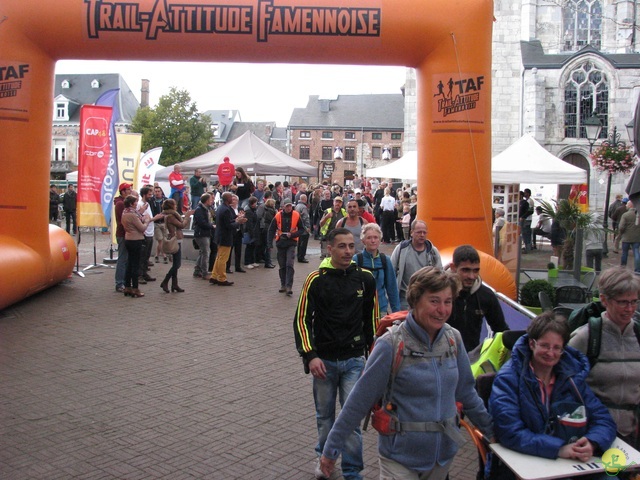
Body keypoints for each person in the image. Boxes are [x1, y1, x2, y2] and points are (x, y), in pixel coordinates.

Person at [319, 266, 493, 480]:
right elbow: (358, 401)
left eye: (448, 302)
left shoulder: (453, 339)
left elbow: (466, 393)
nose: (442, 310)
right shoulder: (391, 344)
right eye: (434, 301)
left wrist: (493, 433)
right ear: (415, 300)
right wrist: (331, 450)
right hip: (399, 459)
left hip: (441, 459)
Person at [294, 228, 378, 480]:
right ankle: (325, 459)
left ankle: (353, 470)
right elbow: (301, 320)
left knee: (351, 417)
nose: (348, 251)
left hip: (354, 360)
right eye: (342, 246)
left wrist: (371, 354)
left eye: (351, 246)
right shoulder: (315, 280)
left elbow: (372, 320)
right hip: (324, 362)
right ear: (329, 248)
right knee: (325, 417)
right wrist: (310, 355)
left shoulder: (365, 278)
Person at [490, 312, 617, 478]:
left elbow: (603, 419)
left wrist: (592, 443)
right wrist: (558, 449)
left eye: (557, 348)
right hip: (529, 463)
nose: (551, 353)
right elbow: (509, 431)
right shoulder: (508, 379)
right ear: (531, 343)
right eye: (545, 345)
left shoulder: (572, 377)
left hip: (572, 463)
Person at [568, 267, 640, 450]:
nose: (630, 309)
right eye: (623, 302)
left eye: (634, 302)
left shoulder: (638, 334)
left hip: (633, 433)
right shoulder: (586, 337)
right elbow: (564, 384)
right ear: (604, 300)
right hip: (595, 433)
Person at [447, 245, 508, 352]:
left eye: (476, 271)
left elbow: (501, 330)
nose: (471, 276)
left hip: (471, 359)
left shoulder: (486, 295)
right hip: (439, 359)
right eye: (465, 270)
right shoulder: (438, 292)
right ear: (453, 267)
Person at [391, 220, 443, 310]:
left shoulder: (433, 251)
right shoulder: (401, 249)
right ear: (411, 232)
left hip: (426, 298)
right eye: (419, 232)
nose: (422, 235)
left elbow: (440, 274)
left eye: (424, 232)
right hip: (404, 299)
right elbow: (391, 271)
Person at [356, 223, 401, 317]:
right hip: (361, 310)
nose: (373, 241)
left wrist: (396, 313)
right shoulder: (356, 260)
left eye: (376, 237)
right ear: (363, 241)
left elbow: (392, 288)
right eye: (369, 238)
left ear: (380, 239)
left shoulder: (385, 260)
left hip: (381, 310)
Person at [268, 198, 305, 296]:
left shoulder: (296, 215)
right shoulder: (278, 216)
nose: (289, 208)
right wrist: (269, 244)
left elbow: (302, 229)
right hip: (281, 243)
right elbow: (271, 230)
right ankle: (283, 284)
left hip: (291, 243)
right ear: (283, 206)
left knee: (289, 264)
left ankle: (289, 286)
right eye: (287, 206)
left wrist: (292, 235)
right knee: (282, 265)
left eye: (290, 206)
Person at [121, 195, 156, 298]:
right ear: (132, 204)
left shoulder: (125, 212)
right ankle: (135, 288)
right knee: (135, 265)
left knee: (129, 264)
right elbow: (142, 228)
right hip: (135, 240)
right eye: (135, 202)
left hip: (128, 239)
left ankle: (127, 286)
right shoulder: (132, 215)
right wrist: (146, 221)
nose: (137, 204)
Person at [210, 192, 247, 287]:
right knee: (223, 258)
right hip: (225, 237)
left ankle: (214, 275)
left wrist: (237, 218)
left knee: (219, 257)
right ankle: (222, 278)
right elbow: (229, 225)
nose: (233, 199)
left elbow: (228, 220)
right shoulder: (226, 209)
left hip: (220, 236)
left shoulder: (221, 208)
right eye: (231, 197)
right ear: (228, 199)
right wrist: (238, 222)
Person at [159, 198, 193, 293]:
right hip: (175, 240)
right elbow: (182, 225)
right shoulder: (170, 216)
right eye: (175, 205)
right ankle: (165, 281)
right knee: (177, 264)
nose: (176, 206)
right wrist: (186, 217)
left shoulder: (170, 215)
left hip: (176, 239)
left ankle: (174, 284)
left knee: (175, 264)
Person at [114, 182, 132, 293]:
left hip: (126, 234)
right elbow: (123, 221)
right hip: (123, 234)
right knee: (122, 258)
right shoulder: (120, 204)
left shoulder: (123, 203)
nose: (130, 191)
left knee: (125, 259)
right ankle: (119, 282)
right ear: (123, 191)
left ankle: (124, 281)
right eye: (129, 189)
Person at [136, 186, 157, 284]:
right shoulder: (140, 205)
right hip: (144, 232)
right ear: (144, 195)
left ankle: (144, 273)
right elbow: (143, 218)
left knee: (146, 256)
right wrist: (154, 218)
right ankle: (139, 275)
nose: (151, 196)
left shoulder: (148, 204)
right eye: (149, 194)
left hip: (150, 232)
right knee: (142, 256)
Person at [192, 193, 215, 279]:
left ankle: (197, 270)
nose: (212, 201)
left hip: (205, 233)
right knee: (205, 253)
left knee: (202, 252)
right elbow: (202, 223)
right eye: (210, 200)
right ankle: (204, 272)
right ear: (206, 201)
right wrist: (211, 226)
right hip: (201, 234)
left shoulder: (207, 209)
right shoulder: (200, 210)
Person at [618, 201, 640, 273]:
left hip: (626, 237)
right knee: (636, 253)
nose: (626, 206)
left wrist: (621, 233)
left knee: (624, 253)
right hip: (637, 237)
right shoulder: (638, 214)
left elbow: (621, 227)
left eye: (627, 205)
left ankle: (623, 268)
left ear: (630, 206)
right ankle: (637, 269)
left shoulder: (625, 215)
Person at [150, 185, 168, 264]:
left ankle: (157, 255)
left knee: (163, 239)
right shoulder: (151, 200)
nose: (157, 193)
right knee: (160, 240)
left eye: (158, 191)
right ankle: (164, 255)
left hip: (164, 222)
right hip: (156, 223)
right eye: (155, 191)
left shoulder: (165, 200)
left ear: (161, 192)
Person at [258, 197, 276, 269]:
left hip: (265, 229)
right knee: (268, 246)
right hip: (268, 229)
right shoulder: (270, 212)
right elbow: (273, 220)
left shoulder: (266, 210)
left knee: (266, 245)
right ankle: (268, 262)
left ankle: (268, 261)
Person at [242, 196, 260, 269]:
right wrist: (251, 233)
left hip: (254, 231)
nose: (256, 204)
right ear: (253, 203)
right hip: (250, 231)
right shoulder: (249, 212)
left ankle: (252, 261)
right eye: (256, 203)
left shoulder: (253, 210)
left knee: (253, 247)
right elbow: (249, 224)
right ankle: (247, 262)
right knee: (249, 247)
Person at [295, 194, 311, 263]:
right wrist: (307, 227)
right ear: (305, 199)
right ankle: (301, 257)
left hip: (298, 227)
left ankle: (299, 256)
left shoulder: (297, 206)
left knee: (299, 243)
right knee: (303, 243)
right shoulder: (304, 207)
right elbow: (305, 218)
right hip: (304, 228)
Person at [519, 189, 534, 253]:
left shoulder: (530, 201)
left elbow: (530, 211)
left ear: (528, 193)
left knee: (526, 233)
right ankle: (527, 247)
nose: (524, 194)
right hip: (525, 219)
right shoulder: (525, 201)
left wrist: (523, 217)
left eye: (525, 193)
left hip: (527, 220)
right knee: (525, 233)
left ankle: (528, 247)